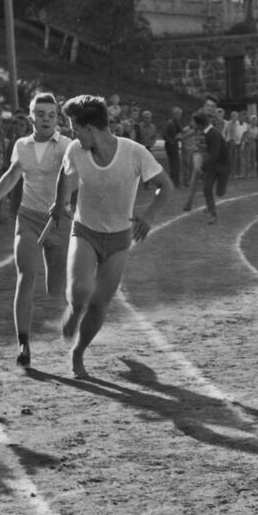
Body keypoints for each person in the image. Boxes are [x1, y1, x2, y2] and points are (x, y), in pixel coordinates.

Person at [40, 95, 172, 379]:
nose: (72, 133)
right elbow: (65, 174)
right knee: (80, 293)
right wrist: (60, 200)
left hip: (119, 239)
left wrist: (148, 216)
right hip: (85, 230)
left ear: (90, 128)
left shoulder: (134, 152)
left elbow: (165, 187)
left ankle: (78, 352)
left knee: (100, 303)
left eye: (75, 127)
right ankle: (75, 311)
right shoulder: (76, 150)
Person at [0, 93, 71, 367]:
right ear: (31, 117)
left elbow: (80, 178)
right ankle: (23, 342)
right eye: (41, 114)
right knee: (26, 275)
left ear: (58, 119)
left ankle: (78, 309)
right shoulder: (22, 145)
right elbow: (12, 176)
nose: (46, 119)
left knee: (56, 288)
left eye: (51, 115)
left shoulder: (67, 146)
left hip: (60, 221)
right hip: (29, 218)